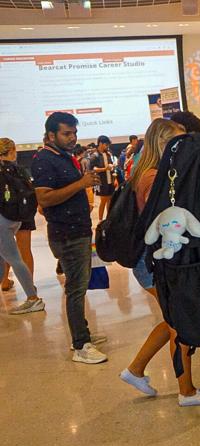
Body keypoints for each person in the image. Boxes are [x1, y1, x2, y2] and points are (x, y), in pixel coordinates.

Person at [118, 118, 200, 406]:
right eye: (177, 142)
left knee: (172, 318)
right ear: (162, 143)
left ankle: (136, 369)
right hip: (152, 261)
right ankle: (186, 391)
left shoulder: (148, 172)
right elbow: (166, 221)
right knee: (180, 321)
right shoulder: (154, 177)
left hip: (149, 259)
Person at [32, 112, 108, 363]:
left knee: (79, 287)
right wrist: (81, 184)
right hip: (66, 234)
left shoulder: (64, 157)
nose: (72, 138)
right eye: (67, 133)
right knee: (75, 289)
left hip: (78, 230)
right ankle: (80, 345)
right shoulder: (44, 160)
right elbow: (44, 198)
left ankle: (82, 333)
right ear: (51, 134)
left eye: (74, 133)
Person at [0, 138, 44, 314]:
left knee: (14, 259)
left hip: (2, 220)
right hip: (16, 219)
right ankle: (32, 295)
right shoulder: (19, 170)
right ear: (12, 151)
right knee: (3, 258)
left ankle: (33, 298)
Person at [0, 140, 36, 294]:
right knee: (23, 249)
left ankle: (30, 295)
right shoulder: (20, 170)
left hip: (5, 216)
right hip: (23, 214)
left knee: (9, 255)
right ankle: (30, 283)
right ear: (13, 151)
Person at [91, 135, 117, 221]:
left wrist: (113, 170)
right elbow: (93, 169)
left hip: (110, 180)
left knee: (110, 200)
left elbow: (111, 166)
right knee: (103, 201)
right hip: (101, 181)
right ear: (100, 143)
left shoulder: (108, 154)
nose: (107, 146)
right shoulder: (95, 155)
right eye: (106, 144)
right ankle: (100, 220)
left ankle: (109, 218)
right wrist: (105, 169)